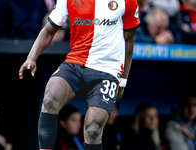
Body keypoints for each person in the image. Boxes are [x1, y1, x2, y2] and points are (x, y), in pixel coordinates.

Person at [19, 0, 140, 149]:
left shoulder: (127, 1)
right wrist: (31, 57)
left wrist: (123, 80)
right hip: (75, 64)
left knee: (93, 127)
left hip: (107, 70)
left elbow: (129, 41)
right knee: (50, 99)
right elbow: (49, 30)